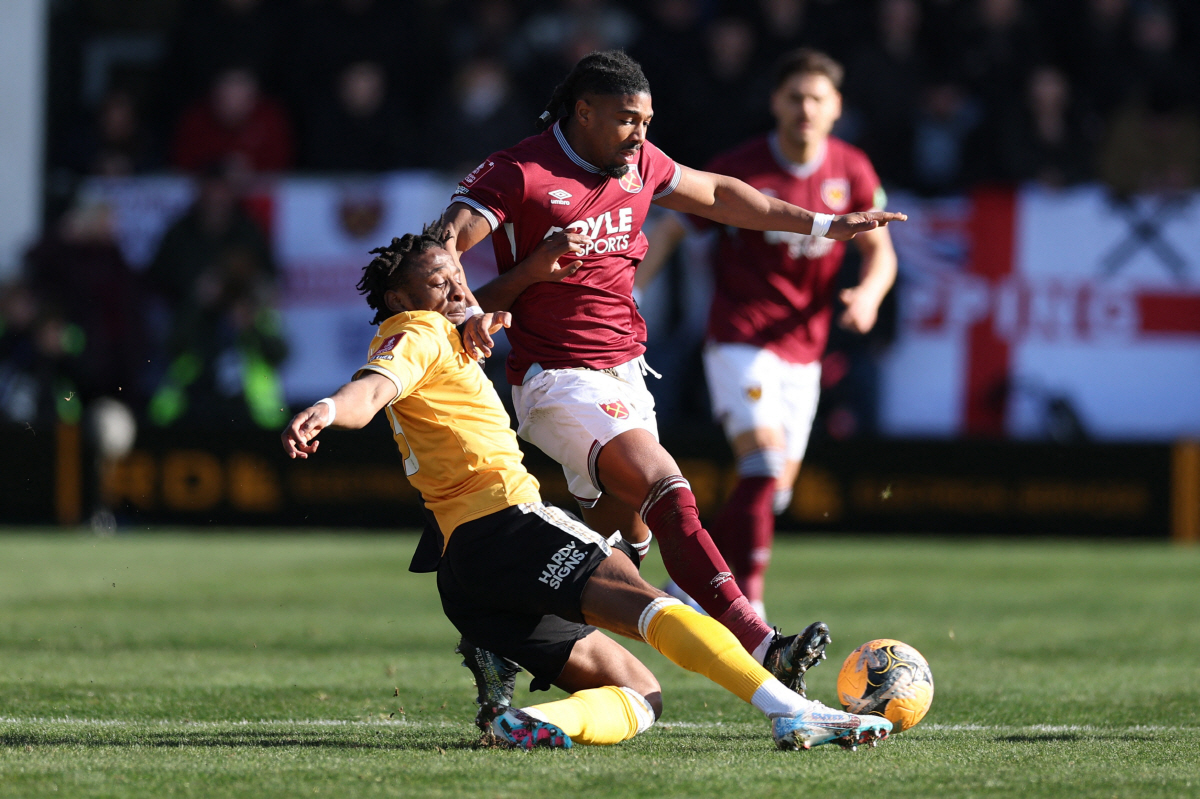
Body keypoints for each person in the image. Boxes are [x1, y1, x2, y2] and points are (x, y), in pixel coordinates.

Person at [279, 228, 892, 751]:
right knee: (660, 610)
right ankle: (791, 711)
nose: (459, 291)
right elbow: (372, 388)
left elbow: (420, 358)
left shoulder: (443, 335)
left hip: (464, 573)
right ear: (399, 298)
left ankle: (524, 721)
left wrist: (506, 290)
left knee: (639, 694)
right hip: (508, 525)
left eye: (460, 277)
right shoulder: (416, 332)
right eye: (441, 283)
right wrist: (331, 408)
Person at [439, 51, 904, 683]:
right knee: (669, 487)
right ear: (584, 111)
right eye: (629, 120)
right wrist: (484, 302)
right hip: (557, 379)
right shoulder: (519, 171)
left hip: (629, 374)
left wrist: (823, 223)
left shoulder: (638, 163)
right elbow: (440, 250)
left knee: (623, 550)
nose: (642, 136)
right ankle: (764, 643)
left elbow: (715, 193)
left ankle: (502, 630)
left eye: (648, 121)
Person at [635, 49, 898, 621]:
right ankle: (746, 605)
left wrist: (869, 296)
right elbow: (675, 225)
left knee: (774, 491)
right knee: (761, 468)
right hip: (740, 338)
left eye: (817, 98)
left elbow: (881, 252)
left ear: (836, 109)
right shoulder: (744, 168)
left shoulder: (851, 170)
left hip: (804, 351)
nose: (805, 107)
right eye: (795, 96)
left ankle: (688, 586)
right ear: (777, 103)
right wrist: (632, 288)